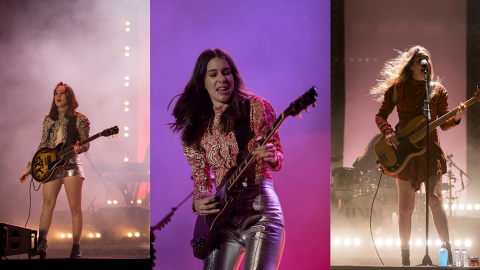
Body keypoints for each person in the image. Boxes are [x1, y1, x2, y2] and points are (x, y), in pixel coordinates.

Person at [169, 48, 285, 269]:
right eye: (213, 74)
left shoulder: (256, 107)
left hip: (260, 211)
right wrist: (200, 201)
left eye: (226, 72)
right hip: (222, 218)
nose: (222, 79)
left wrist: (271, 155)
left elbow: (278, 159)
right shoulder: (195, 129)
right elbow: (201, 179)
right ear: (202, 82)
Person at [370, 46, 467, 266]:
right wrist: (388, 131)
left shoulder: (438, 91)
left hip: (430, 148)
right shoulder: (398, 88)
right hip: (404, 151)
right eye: (420, 60)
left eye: (427, 60)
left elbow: (444, 124)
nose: (425, 64)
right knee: (406, 207)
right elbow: (381, 115)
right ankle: (405, 257)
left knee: (434, 199)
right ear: (412, 64)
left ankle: (447, 252)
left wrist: (458, 118)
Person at [18, 82, 90, 258]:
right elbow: (43, 145)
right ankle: (42, 243)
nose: (58, 96)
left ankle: (76, 248)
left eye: (62, 93)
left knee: (75, 207)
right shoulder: (49, 119)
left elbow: (86, 143)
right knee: (47, 204)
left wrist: (81, 148)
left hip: (71, 164)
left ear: (69, 97)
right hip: (51, 166)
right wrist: (30, 168)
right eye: (56, 93)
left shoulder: (80, 119)